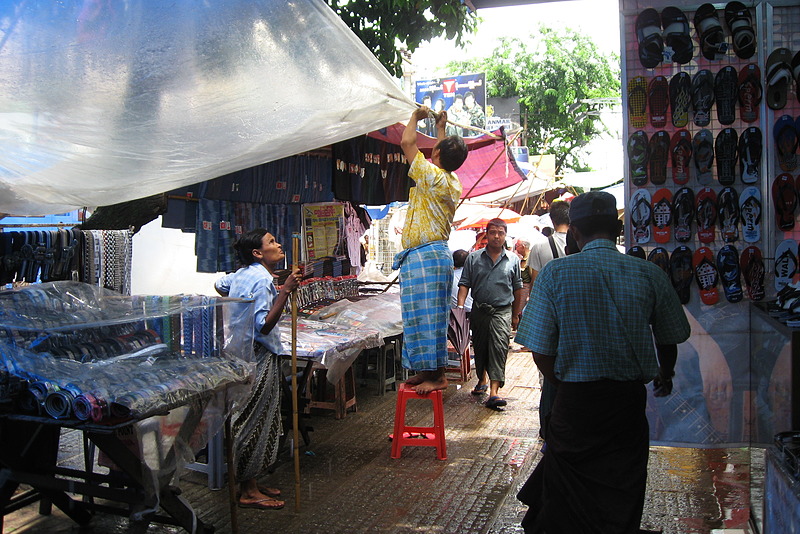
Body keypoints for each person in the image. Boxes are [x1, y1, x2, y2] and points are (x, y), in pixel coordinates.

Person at [514, 191, 690, 533]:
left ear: (574, 232)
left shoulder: (555, 274)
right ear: (618, 229)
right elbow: (670, 337)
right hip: (625, 406)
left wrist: (564, 385)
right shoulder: (649, 274)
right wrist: (665, 374)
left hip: (575, 405)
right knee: (620, 492)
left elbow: (540, 349)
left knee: (565, 505)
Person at [214, 228, 301, 511]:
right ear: (257, 253)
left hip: (242, 352)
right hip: (259, 355)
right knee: (254, 420)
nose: (279, 245)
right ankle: (248, 490)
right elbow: (263, 325)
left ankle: (252, 481)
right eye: (272, 242)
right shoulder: (263, 280)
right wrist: (285, 291)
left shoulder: (244, 273)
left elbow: (221, 284)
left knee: (256, 416)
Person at [395, 105, 468, 394]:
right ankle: (428, 371)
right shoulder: (451, 180)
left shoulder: (431, 175)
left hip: (425, 256)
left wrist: (415, 117)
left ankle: (436, 376)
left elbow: (407, 142)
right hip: (433, 255)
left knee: (423, 316)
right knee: (426, 316)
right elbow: (440, 155)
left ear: (436, 156)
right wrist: (440, 130)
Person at [456, 218, 524, 410]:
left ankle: (494, 392)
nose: (496, 236)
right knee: (481, 347)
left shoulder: (512, 260)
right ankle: (482, 380)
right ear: (487, 234)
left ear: (505, 236)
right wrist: (460, 310)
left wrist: (515, 314)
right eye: (493, 232)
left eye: (500, 233)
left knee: (499, 348)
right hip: (479, 310)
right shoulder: (473, 258)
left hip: (502, 311)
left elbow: (518, 288)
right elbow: (464, 284)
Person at [527, 199, 569, 283]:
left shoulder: (539, 247)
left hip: (550, 295)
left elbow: (535, 281)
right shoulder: (581, 245)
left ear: (551, 219)